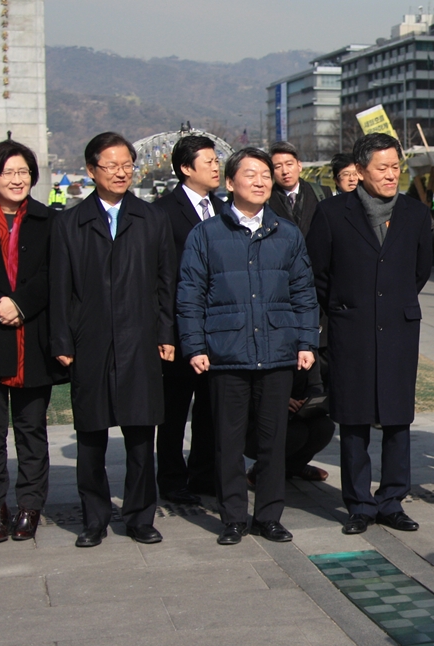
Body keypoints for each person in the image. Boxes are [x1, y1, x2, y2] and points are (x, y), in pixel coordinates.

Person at [176, 147, 318, 545]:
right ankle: (234, 516)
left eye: (265, 176)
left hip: (277, 352)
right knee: (229, 441)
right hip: (226, 355)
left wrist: (306, 341)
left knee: (273, 441)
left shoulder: (286, 234)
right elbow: (190, 296)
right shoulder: (206, 234)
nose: (259, 182)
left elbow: (304, 294)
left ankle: (269, 515)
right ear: (230, 182)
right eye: (250, 174)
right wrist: (195, 346)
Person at [50, 132, 177, 547]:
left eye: (127, 165)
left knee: (142, 435)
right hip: (91, 341)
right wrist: (63, 341)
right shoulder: (70, 223)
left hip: (140, 339)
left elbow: (165, 283)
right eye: (111, 165)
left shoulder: (152, 218)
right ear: (91, 171)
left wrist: (165, 332)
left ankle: (140, 516)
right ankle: (94, 518)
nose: (121, 172)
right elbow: (59, 290)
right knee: (91, 437)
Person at [307, 132, 433, 534]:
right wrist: (350, 304)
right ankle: (359, 503)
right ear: (360, 171)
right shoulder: (331, 213)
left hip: (398, 326)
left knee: (397, 419)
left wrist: (390, 301)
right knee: (355, 419)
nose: (392, 175)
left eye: (396, 167)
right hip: (352, 327)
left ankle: (393, 499)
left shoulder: (413, 213)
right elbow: (318, 273)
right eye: (382, 168)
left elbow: (420, 269)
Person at [0, 139, 62, 543]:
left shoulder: (49, 220)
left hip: (32, 340)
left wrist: (20, 303)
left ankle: (29, 506)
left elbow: (54, 274)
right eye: (8, 173)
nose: (17, 180)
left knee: (31, 431)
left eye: (23, 172)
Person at [152, 134, 224, 504]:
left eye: (216, 161)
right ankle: (170, 478)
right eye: (208, 161)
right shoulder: (163, 211)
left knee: (211, 407)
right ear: (185, 168)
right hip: (180, 327)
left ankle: (204, 473)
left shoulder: (223, 207)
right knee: (174, 409)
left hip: (218, 328)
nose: (216, 167)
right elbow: (161, 277)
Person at [268, 141, 323, 235]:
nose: (285, 171)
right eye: (278, 166)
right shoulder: (266, 200)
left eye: (289, 164)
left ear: (299, 166)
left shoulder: (321, 193)